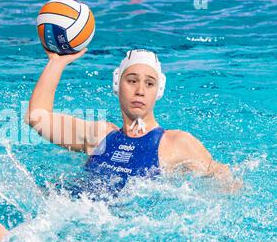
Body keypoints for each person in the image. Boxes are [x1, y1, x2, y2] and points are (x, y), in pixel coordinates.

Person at [24, 48, 242, 193]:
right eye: (132, 81)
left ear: (159, 91)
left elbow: (223, 177)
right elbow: (37, 117)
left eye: (149, 84)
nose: (140, 91)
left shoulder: (176, 143)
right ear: (117, 85)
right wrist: (57, 62)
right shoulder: (98, 135)